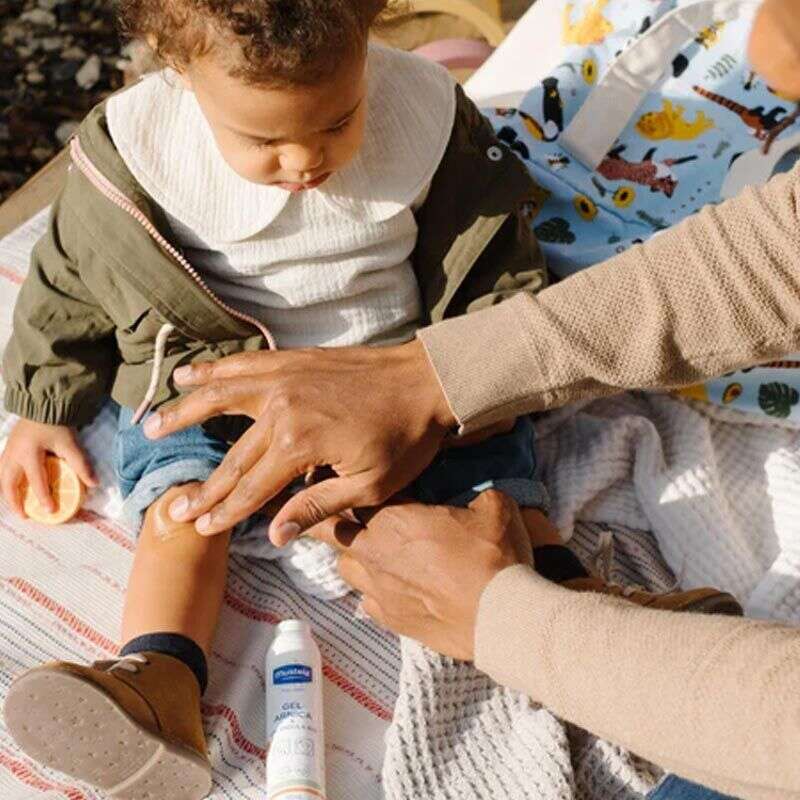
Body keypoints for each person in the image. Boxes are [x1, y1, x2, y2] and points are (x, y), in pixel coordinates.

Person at [2, 2, 729, 798]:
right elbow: (70, 275)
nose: (305, 159)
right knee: (183, 511)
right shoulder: (137, 151)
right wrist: (44, 405)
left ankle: (591, 611)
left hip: (392, 373)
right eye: (264, 140)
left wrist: (475, 375)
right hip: (223, 380)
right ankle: (159, 683)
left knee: (495, 497)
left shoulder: (425, 119)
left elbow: (488, 253)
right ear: (181, 71)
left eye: (338, 121)